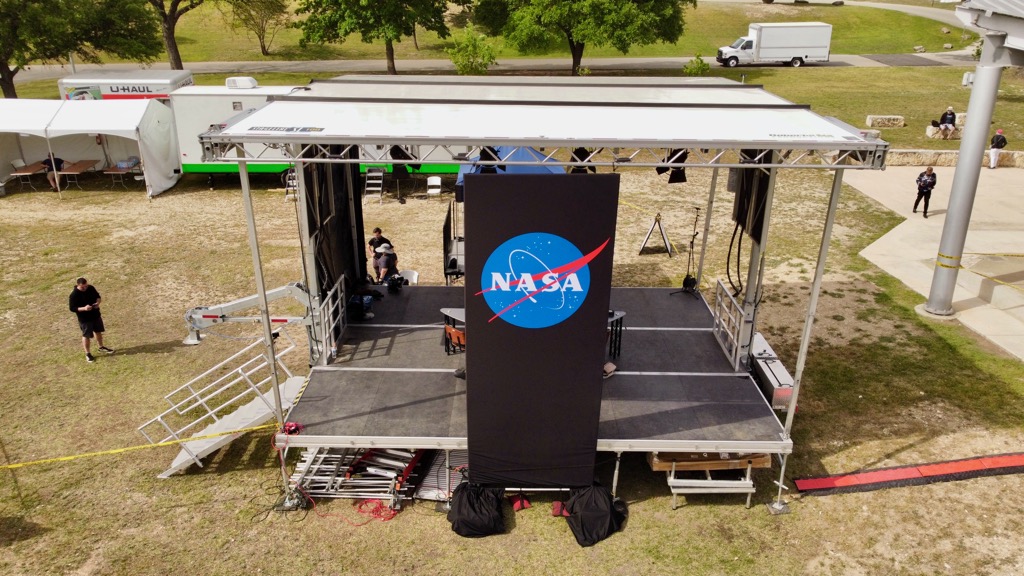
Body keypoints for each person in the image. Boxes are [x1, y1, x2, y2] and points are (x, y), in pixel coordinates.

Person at [68, 277, 114, 363]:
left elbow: (98, 297)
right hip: (85, 319)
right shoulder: (74, 295)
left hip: (95, 315)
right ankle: (88, 354)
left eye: (86, 286)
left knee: (98, 331)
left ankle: (101, 347)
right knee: (86, 335)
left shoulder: (91, 288)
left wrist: (98, 303)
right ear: (78, 285)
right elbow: (72, 308)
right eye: (83, 287)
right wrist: (84, 308)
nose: (85, 288)